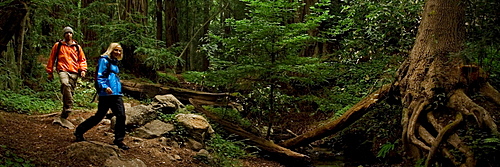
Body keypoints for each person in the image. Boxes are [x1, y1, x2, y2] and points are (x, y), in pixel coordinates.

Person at [74, 43, 129, 150]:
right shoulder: (104, 60)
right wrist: (105, 87)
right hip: (106, 94)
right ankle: (79, 131)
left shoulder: (115, 62)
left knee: (121, 115)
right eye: (116, 50)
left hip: (116, 93)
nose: (118, 52)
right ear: (111, 50)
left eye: (119, 51)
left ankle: (119, 140)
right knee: (99, 116)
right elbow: (100, 76)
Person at [46, 26, 87, 119]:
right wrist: (50, 71)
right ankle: (69, 105)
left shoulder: (77, 47)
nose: (68, 34)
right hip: (62, 69)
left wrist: (83, 70)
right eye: (66, 33)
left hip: (74, 71)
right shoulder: (58, 45)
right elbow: (52, 58)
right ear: (64, 35)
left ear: (72, 34)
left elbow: (82, 59)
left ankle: (65, 113)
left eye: (70, 33)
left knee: (69, 92)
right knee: (65, 84)